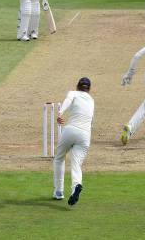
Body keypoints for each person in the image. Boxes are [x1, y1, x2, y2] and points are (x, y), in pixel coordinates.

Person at [53, 77, 94, 206]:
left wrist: (60, 113)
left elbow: (67, 101)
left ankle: (59, 191)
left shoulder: (73, 93)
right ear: (89, 89)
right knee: (76, 163)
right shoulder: (92, 101)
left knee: (59, 158)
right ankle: (76, 186)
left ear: (77, 86)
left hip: (70, 130)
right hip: (85, 135)